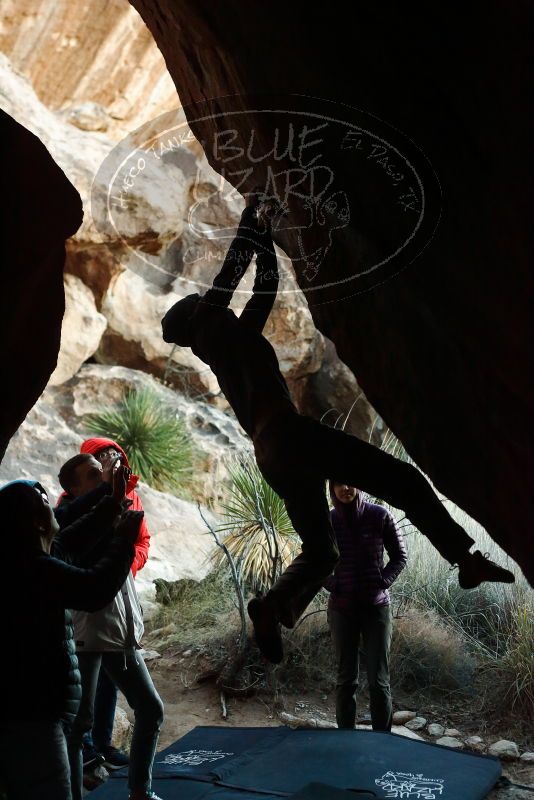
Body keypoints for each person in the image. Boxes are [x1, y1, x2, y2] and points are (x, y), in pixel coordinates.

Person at [161, 191, 514, 664]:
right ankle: (466, 560)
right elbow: (234, 268)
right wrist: (252, 217)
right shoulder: (214, 325)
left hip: (272, 455)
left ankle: (272, 607)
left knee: (321, 552)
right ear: (196, 313)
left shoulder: (230, 343)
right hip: (290, 437)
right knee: (402, 479)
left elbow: (264, 285)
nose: (210, 299)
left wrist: (264, 235)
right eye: (202, 301)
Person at [0, 476, 140, 800]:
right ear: (36, 524)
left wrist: (112, 502)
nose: (55, 512)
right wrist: (122, 542)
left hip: (33, 712)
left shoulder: (25, 559)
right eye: (46, 505)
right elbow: (93, 589)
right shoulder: (32, 570)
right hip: (32, 717)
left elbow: (70, 542)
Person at [56, 452, 164, 800]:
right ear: (74, 490)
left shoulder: (113, 512)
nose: (102, 476)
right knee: (78, 727)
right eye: (92, 475)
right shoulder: (72, 531)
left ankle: (139, 793)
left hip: (118, 631)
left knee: (150, 709)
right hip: (88, 634)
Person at [325, 481, 407, 732]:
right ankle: (345, 741)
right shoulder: (327, 521)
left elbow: (400, 556)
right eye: (338, 483)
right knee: (346, 680)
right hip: (342, 610)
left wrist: (382, 581)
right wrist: (333, 585)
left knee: (378, 682)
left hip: (376, 609)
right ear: (332, 488)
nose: (345, 488)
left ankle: (381, 741)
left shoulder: (379, 515)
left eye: (350, 481)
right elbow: (314, 558)